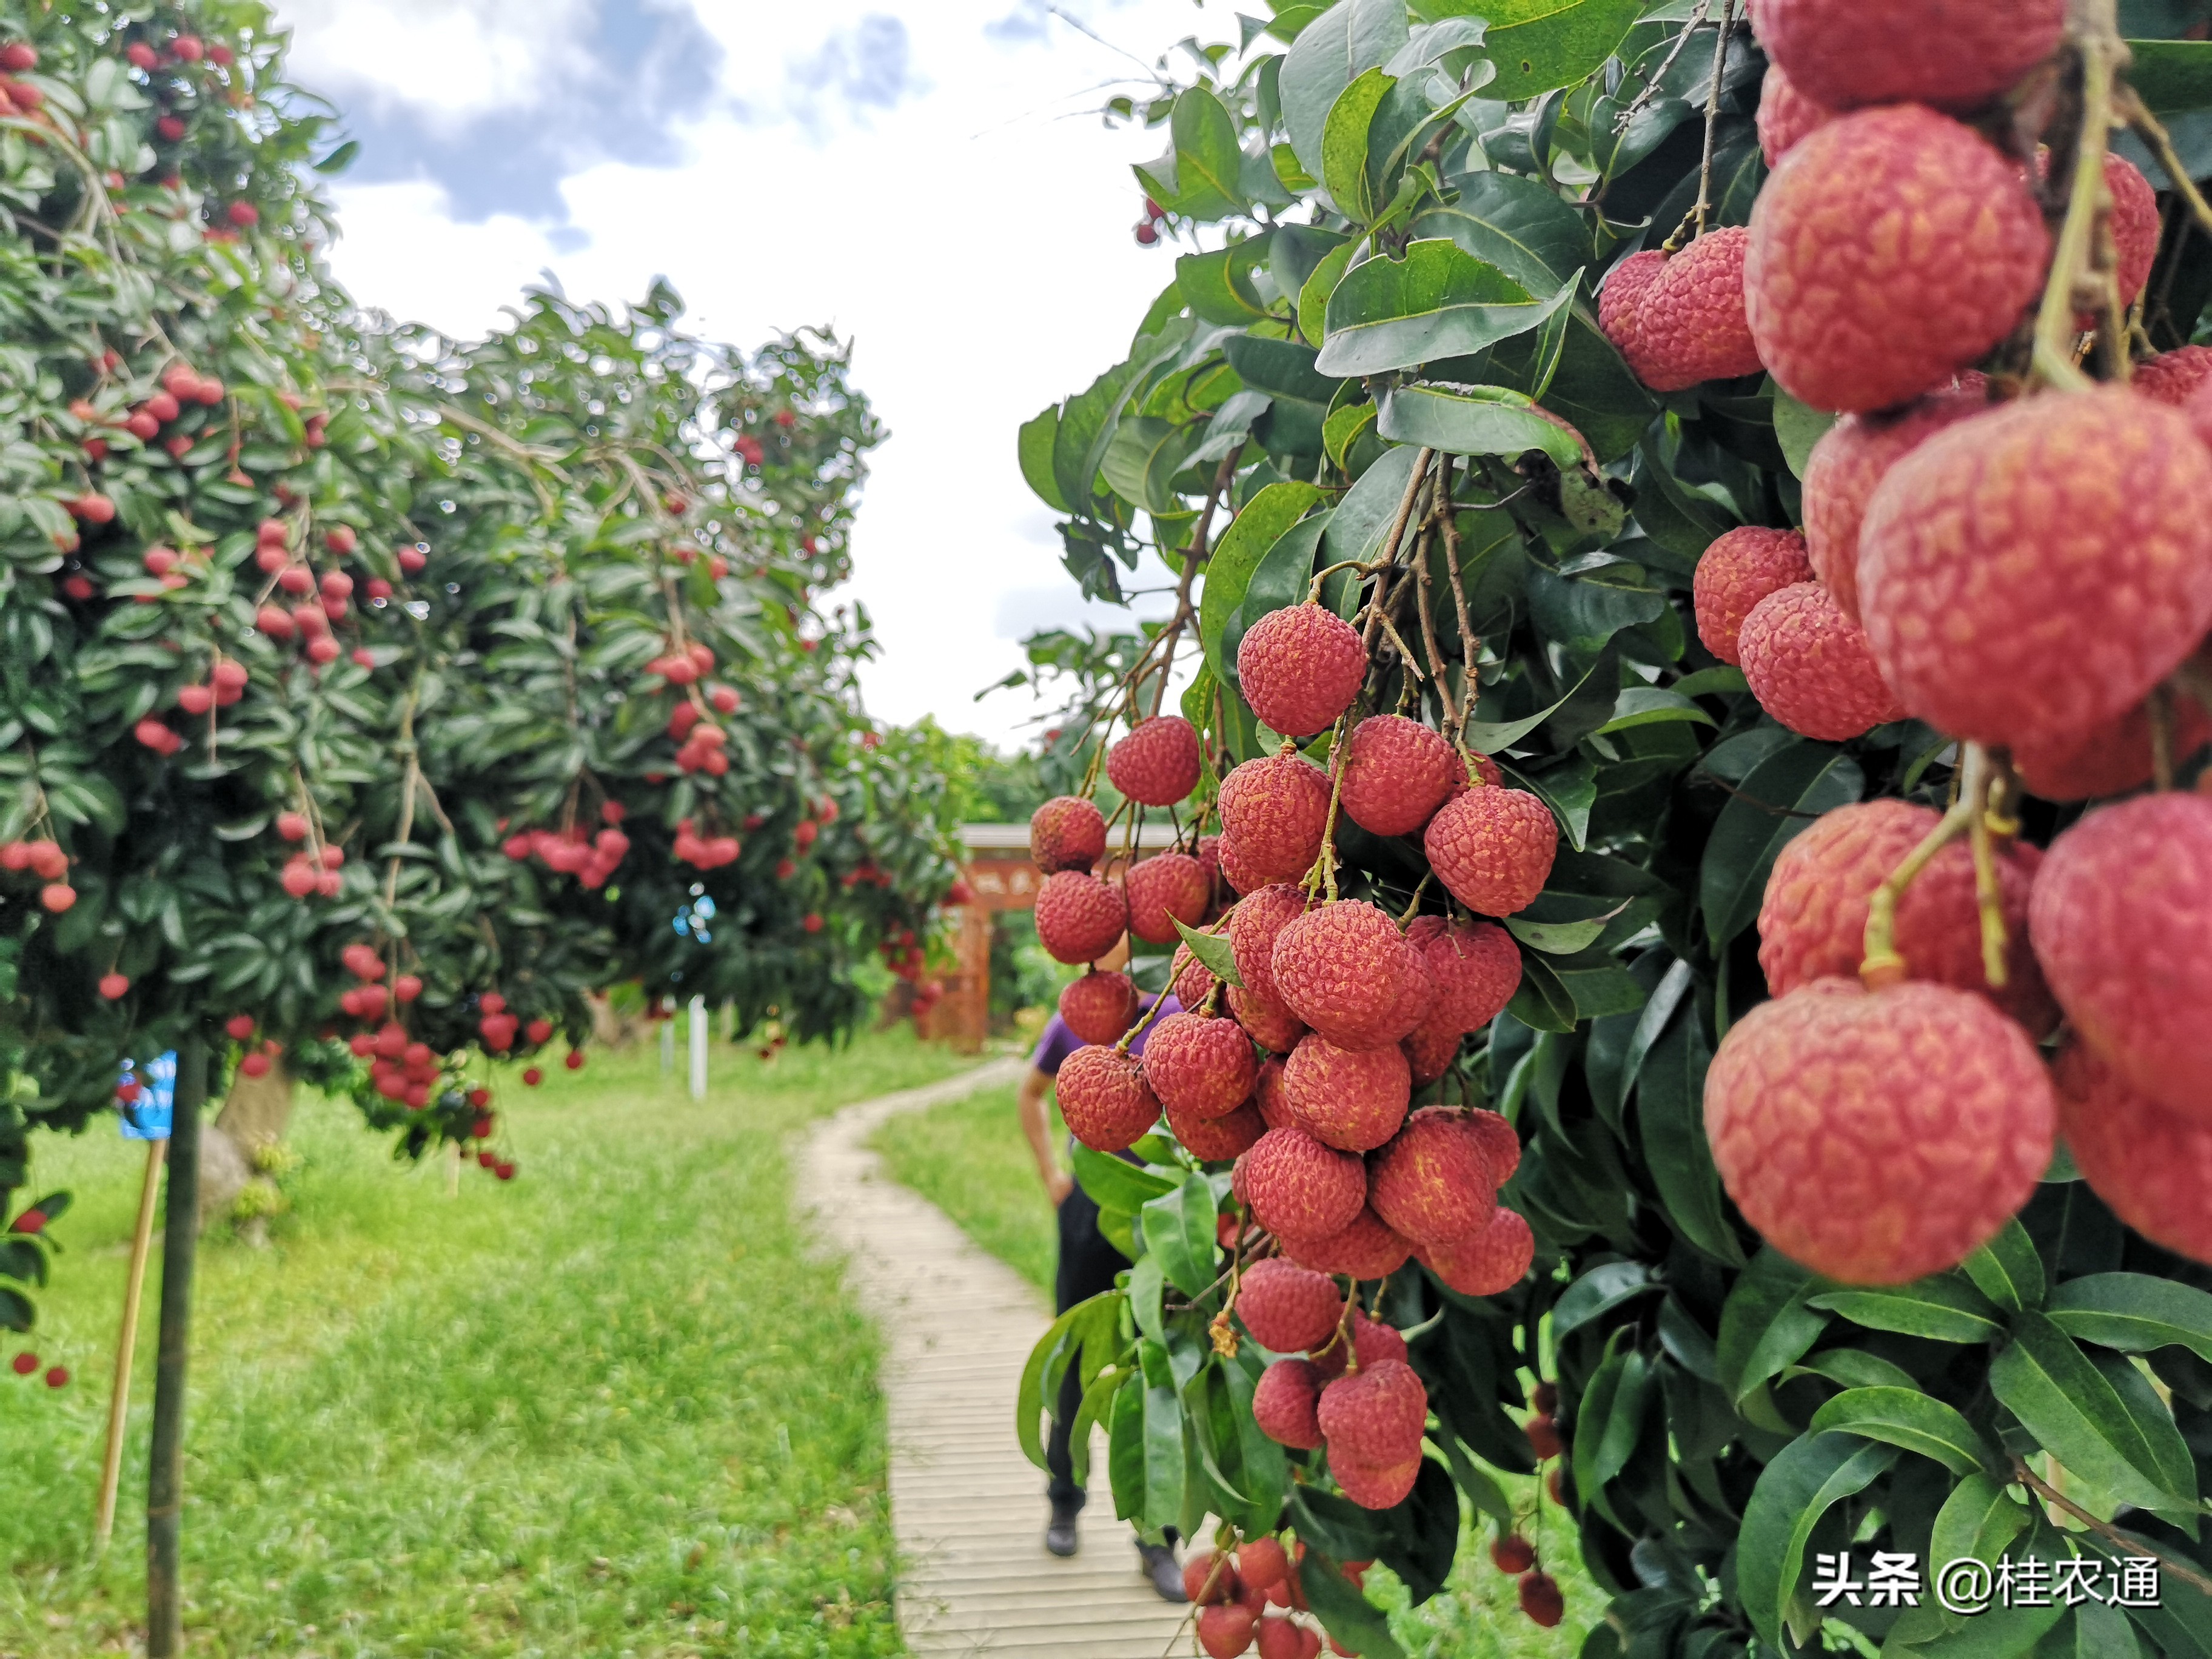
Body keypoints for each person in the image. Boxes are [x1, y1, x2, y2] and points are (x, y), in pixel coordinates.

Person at [1020, 971, 1184, 1600]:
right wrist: (1052, 1176)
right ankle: (1063, 1501)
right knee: (1076, 1358)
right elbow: (1029, 1095)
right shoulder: (1074, 1019)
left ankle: (1158, 1539)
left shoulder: (1175, 1016)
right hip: (1088, 1207)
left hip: (1166, 1215)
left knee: (1164, 1372)